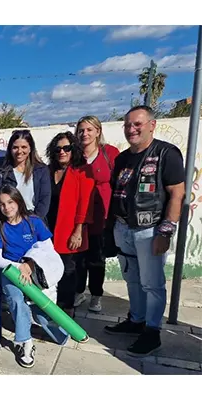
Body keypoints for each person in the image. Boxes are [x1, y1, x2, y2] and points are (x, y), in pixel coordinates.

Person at [104, 105, 185, 357]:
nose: (131, 129)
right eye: (128, 125)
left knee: (152, 284)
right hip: (123, 228)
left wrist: (166, 231)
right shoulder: (123, 158)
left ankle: (152, 332)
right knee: (132, 279)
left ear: (152, 125)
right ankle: (136, 320)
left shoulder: (166, 153)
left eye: (137, 124)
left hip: (150, 231)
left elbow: (177, 193)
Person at [0, 185, 70, 368]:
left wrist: (30, 264)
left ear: (18, 201)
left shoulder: (34, 221)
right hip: (10, 272)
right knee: (17, 300)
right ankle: (25, 343)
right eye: (2, 204)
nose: (7, 207)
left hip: (35, 270)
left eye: (10, 202)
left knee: (40, 308)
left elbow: (47, 248)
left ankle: (60, 333)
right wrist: (20, 267)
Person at [74, 116, 120, 313]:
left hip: (102, 216)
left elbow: (120, 183)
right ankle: (78, 291)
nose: (85, 134)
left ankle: (96, 295)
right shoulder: (75, 156)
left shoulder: (110, 153)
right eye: (81, 130)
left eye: (89, 130)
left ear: (98, 131)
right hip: (80, 216)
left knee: (97, 258)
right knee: (79, 258)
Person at [45, 132, 94, 317]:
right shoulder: (48, 170)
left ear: (74, 149)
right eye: (58, 149)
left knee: (68, 270)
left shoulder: (82, 170)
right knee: (50, 267)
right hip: (49, 226)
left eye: (67, 148)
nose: (62, 152)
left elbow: (85, 202)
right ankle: (51, 306)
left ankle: (67, 309)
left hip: (70, 228)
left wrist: (78, 229)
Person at [0, 129, 50, 218]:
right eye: (15, 147)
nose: (19, 151)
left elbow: (44, 200)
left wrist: (34, 221)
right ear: (10, 149)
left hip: (35, 221)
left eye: (24, 147)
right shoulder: (2, 173)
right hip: (10, 222)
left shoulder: (41, 170)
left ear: (30, 148)